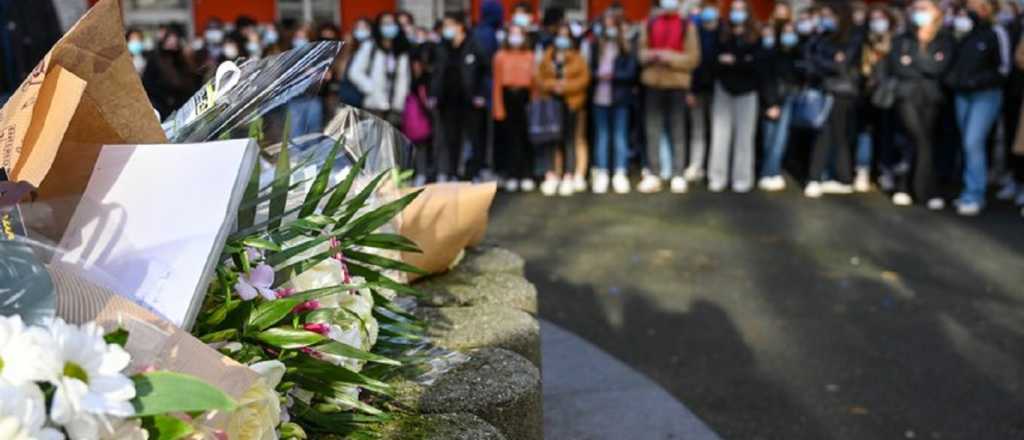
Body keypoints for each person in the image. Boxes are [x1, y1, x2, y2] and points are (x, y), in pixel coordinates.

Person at [886, 0, 955, 209]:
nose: (919, 13)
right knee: (919, 138)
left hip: (931, 96)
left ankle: (908, 186)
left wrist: (914, 60)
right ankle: (923, 190)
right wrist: (925, 62)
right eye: (916, 9)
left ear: (936, 12)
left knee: (923, 140)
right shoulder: (902, 38)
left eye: (924, 9)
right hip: (906, 95)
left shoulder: (944, 39)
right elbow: (898, 67)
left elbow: (939, 68)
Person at [944, 0, 1011, 215]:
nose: (970, 10)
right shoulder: (963, 32)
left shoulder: (996, 32)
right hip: (962, 94)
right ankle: (968, 189)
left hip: (986, 95)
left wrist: (976, 81)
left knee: (973, 141)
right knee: (967, 143)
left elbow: (1004, 69)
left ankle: (974, 194)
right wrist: (954, 80)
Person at [637, 0, 702, 193]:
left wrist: (669, 57)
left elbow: (693, 58)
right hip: (653, 83)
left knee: (677, 130)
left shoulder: (687, 26)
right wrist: (652, 55)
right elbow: (640, 54)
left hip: (677, 85)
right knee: (652, 130)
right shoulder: (649, 23)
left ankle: (678, 174)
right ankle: (654, 173)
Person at [804, 3, 863, 198]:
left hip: (840, 92)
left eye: (829, 15)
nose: (825, 19)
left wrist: (820, 61)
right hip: (826, 88)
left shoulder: (852, 36)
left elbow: (839, 65)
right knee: (828, 133)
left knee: (832, 134)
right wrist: (825, 60)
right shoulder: (821, 36)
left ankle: (825, 177)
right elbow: (810, 58)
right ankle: (835, 176)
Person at [707, 0, 761, 193]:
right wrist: (739, 61)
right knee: (720, 136)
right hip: (723, 89)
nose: (737, 13)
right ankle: (717, 177)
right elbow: (713, 60)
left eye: (741, 10)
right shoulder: (721, 34)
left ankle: (742, 179)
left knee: (744, 138)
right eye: (734, 10)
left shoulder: (755, 36)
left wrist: (735, 61)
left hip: (747, 92)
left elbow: (757, 64)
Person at [430, 11, 489, 182]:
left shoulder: (474, 44)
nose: (446, 29)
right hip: (447, 100)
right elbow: (436, 73)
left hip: (470, 100)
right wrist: (434, 94)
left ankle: (473, 172)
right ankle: (452, 172)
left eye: (449, 25)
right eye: (445, 26)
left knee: (473, 138)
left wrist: (481, 94)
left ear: (460, 26)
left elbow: (485, 72)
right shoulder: (441, 47)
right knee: (450, 138)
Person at [536, 23, 591, 196]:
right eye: (560, 35)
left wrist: (565, 86)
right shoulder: (547, 56)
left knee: (571, 139)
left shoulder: (577, 57)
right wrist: (553, 85)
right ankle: (553, 174)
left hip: (572, 103)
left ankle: (570, 174)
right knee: (553, 140)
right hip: (551, 103)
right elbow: (539, 78)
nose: (562, 39)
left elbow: (584, 79)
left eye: (566, 36)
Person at [589, 13, 638, 194]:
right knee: (602, 136)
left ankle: (620, 171)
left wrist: (613, 76)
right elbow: (588, 69)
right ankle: (602, 172)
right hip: (599, 98)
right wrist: (597, 75)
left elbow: (631, 72)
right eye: (606, 26)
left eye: (612, 26)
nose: (609, 29)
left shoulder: (626, 48)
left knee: (620, 135)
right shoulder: (595, 47)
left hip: (620, 97)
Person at [852, 4, 896, 194]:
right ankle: (863, 169)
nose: (878, 22)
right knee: (865, 134)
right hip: (866, 94)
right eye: (874, 18)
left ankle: (885, 171)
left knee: (886, 135)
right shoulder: (863, 41)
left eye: (881, 18)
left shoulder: (896, 41)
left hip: (888, 95)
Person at [492, 24, 537, 192]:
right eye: (512, 33)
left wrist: (534, 104)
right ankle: (511, 174)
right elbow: (497, 83)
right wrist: (498, 107)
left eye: (519, 34)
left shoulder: (530, 56)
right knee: (509, 138)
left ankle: (526, 174)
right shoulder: (500, 56)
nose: (515, 37)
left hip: (525, 98)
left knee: (525, 137)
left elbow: (534, 83)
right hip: (507, 96)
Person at [348, 12, 412, 126]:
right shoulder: (370, 46)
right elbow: (354, 72)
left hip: (395, 108)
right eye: (385, 24)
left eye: (392, 23)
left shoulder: (401, 50)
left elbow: (404, 78)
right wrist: (371, 88)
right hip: (374, 105)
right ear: (379, 27)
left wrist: (400, 102)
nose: (389, 27)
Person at [759, 20, 801, 192]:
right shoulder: (772, 53)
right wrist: (771, 103)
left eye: (792, 32)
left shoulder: (796, 54)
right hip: (775, 100)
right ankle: (769, 173)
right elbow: (767, 79)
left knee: (778, 139)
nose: (789, 35)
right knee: (774, 139)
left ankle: (771, 172)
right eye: (786, 32)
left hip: (787, 98)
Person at [684, 0, 721, 183]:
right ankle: (696, 165)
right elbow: (690, 64)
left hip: (719, 90)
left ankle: (713, 166)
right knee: (697, 129)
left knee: (717, 131)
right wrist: (690, 90)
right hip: (697, 89)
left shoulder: (723, 33)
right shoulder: (694, 32)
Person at [338, 18, 373, 108]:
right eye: (357, 28)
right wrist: (347, 47)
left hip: (367, 96)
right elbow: (341, 74)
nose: (360, 31)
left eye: (364, 28)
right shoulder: (352, 50)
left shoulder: (374, 48)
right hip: (349, 96)